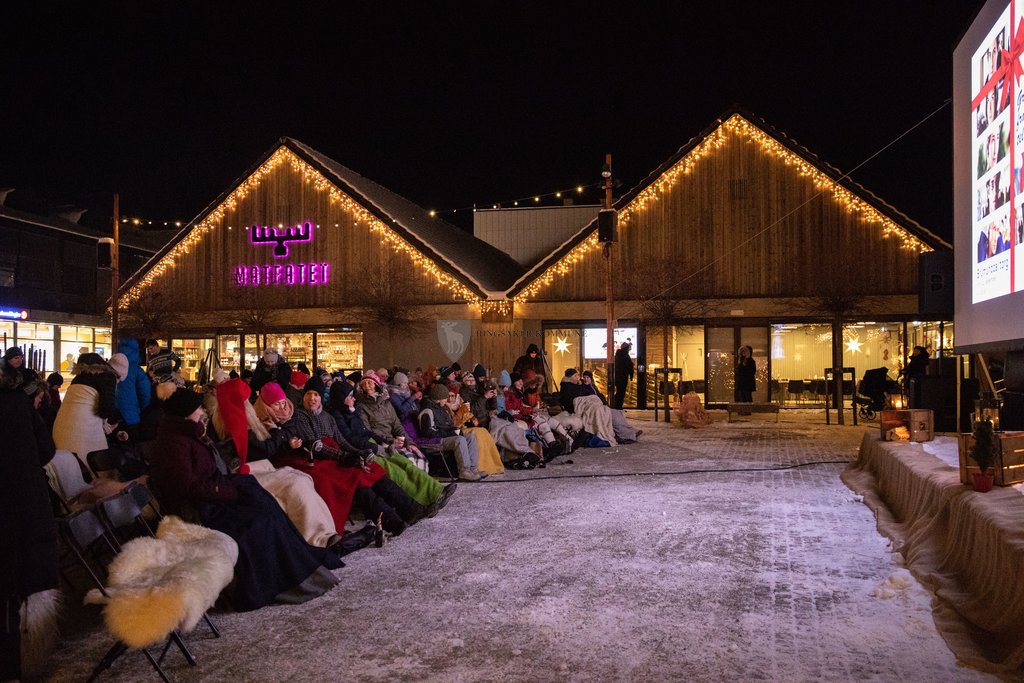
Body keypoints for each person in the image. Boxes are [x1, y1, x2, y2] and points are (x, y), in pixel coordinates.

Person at [149, 388, 342, 611]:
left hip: (215, 492)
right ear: (186, 413)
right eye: (198, 408)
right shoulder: (174, 443)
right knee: (261, 520)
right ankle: (283, 576)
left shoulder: (188, 433)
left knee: (265, 501)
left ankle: (301, 558)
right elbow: (188, 486)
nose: (202, 411)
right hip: (201, 508)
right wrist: (228, 491)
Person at [0, 365, 59, 681]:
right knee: (13, 589)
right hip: (22, 511)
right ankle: (12, 667)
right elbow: (46, 451)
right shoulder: (16, 404)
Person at [52, 353, 121, 475]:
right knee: (95, 472)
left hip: (60, 429)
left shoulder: (77, 378)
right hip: (82, 433)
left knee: (70, 473)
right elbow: (106, 410)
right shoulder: (108, 376)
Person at [113, 339, 152, 442]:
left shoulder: (111, 367)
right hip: (131, 416)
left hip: (112, 414)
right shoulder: (137, 370)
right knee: (132, 445)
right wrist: (141, 408)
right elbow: (145, 394)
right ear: (136, 351)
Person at [613, 342, 634, 409]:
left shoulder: (617, 355)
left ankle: (616, 405)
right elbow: (630, 366)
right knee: (621, 392)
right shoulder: (626, 356)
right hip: (623, 377)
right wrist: (631, 376)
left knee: (618, 391)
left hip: (617, 376)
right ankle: (618, 406)